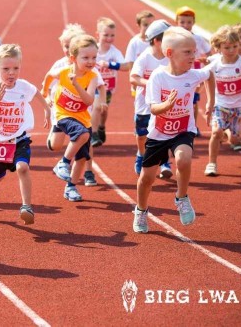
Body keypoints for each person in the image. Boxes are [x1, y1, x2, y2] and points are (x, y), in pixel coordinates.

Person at [133, 27, 215, 234]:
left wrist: (211, 102)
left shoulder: (195, 74)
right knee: (147, 178)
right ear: (170, 54)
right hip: (159, 133)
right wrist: (166, 106)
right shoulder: (158, 77)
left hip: (183, 130)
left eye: (194, 51)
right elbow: (153, 107)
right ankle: (141, 210)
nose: (193, 56)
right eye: (187, 52)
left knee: (184, 159)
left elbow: (210, 74)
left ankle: (181, 197)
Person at [0, 44, 51, 224]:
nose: (11, 73)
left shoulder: (23, 87)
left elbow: (37, 93)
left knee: (22, 167)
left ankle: (26, 206)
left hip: (20, 138)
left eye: (16, 68)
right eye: (6, 69)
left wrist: (47, 110)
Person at [42, 23, 106, 186]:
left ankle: (87, 172)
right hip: (61, 110)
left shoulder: (91, 72)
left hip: (82, 112)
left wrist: (102, 101)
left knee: (85, 138)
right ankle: (61, 156)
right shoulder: (60, 66)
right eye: (66, 46)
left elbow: (99, 85)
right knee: (57, 146)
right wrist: (46, 97)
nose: (67, 48)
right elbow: (48, 79)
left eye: (71, 45)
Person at [203, 26, 241, 176]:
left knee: (235, 138)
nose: (232, 50)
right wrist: (210, 101)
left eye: (235, 47)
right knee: (216, 132)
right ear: (218, 48)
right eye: (227, 47)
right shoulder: (215, 63)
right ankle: (212, 163)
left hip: (240, 106)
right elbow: (206, 77)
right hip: (221, 105)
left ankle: (227, 134)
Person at [130, 19, 171, 175]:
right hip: (143, 105)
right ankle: (141, 155)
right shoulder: (145, 58)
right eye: (168, 39)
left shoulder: (170, 57)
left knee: (164, 134)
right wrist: (152, 83)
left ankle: (165, 162)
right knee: (142, 136)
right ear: (156, 41)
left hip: (163, 104)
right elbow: (133, 78)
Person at [175, 6, 212, 137]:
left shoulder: (199, 39)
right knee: (178, 102)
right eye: (182, 22)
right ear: (177, 22)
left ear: (194, 22)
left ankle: (192, 127)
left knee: (193, 102)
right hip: (178, 74)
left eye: (189, 22)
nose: (186, 25)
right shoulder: (173, 39)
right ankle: (177, 126)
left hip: (194, 76)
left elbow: (209, 53)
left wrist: (206, 60)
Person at [90, 17, 126, 147]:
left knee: (103, 110)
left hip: (108, 88)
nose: (109, 38)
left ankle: (101, 126)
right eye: (106, 35)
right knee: (96, 107)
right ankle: (93, 134)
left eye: (112, 35)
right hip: (94, 86)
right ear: (97, 35)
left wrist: (110, 65)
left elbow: (126, 66)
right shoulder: (93, 50)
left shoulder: (114, 52)